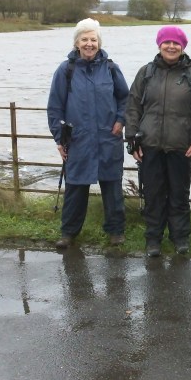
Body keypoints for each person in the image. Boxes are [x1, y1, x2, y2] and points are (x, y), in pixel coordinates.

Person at [47, 17, 129, 249]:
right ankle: (69, 233)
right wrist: (59, 138)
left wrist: (120, 121)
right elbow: (55, 107)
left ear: (99, 42)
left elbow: (125, 98)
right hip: (78, 139)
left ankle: (116, 231)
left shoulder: (112, 68)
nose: (89, 44)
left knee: (112, 187)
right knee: (75, 188)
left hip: (107, 137)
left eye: (93, 39)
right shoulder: (66, 70)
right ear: (76, 43)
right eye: (84, 39)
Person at [125, 26, 191, 257]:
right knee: (153, 194)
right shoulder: (146, 73)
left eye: (176, 43)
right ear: (159, 45)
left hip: (181, 146)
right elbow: (132, 106)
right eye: (167, 42)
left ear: (183, 47)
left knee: (179, 195)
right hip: (149, 145)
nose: (171, 47)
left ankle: (180, 238)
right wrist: (132, 141)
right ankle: (153, 240)